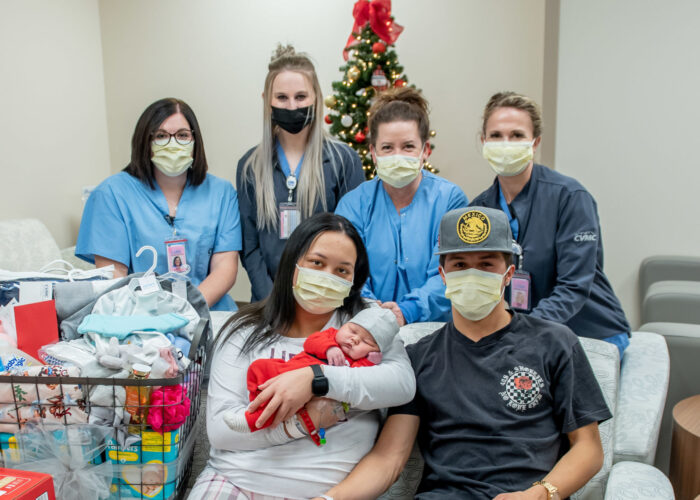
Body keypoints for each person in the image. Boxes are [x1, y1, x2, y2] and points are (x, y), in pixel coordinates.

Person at [318, 207, 611, 500]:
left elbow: (588, 448)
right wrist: (328, 499)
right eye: (460, 264)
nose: (472, 275)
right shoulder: (417, 357)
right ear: (443, 275)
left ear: (508, 274)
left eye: (486, 264)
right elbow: (389, 458)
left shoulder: (555, 343)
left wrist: (540, 494)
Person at [189, 213, 414, 499]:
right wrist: (299, 424)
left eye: (342, 270)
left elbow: (402, 384)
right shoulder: (244, 330)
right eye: (317, 263)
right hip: (234, 480)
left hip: (326, 492)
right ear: (293, 263)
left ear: (354, 279)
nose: (327, 277)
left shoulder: (366, 323)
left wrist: (315, 379)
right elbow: (222, 432)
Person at [470, 91, 630, 356]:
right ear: (483, 141)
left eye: (517, 135)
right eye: (496, 135)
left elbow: (574, 286)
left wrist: (522, 332)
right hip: (522, 337)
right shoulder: (478, 212)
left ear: (535, 142)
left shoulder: (570, 197)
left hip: (588, 333)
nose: (506, 144)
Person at [75, 98, 241, 311]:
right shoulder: (111, 194)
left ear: (195, 140)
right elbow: (114, 278)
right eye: (161, 136)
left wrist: (187, 312)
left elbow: (225, 268)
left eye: (182, 135)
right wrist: (157, 319)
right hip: (140, 313)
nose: (173, 144)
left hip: (209, 310)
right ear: (145, 140)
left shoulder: (221, 193)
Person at [237, 45, 365, 302]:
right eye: (282, 98)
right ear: (267, 100)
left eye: (301, 96)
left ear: (316, 97)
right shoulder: (250, 166)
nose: (292, 105)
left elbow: (353, 240)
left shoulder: (343, 160)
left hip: (327, 301)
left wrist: (324, 297)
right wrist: (272, 301)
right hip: (268, 302)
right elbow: (250, 248)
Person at [335, 87, 468, 326]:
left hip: (435, 331)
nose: (397, 155)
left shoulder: (450, 200)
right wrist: (373, 312)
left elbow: (453, 270)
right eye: (387, 148)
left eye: (408, 147)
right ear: (373, 153)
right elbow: (345, 270)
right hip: (365, 325)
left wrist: (408, 310)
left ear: (425, 150)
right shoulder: (354, 205)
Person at [223, 307, 398, 434]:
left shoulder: (360, 362)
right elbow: (311, 342)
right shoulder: (330, 335)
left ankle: (252, 421)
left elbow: (358, 380)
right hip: (288, 371)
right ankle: (257, 405)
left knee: (306, 406)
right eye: (352, 330)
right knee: (259, 367)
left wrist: (370, 361)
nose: (354, 339)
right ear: (345, 325)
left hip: (315, 395)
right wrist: (329, 348)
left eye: (366, 342)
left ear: (375, 351)